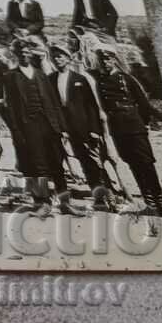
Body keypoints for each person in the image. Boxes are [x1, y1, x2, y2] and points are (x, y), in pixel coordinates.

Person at [1, 39, 82, 218]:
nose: (24, 55)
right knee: (37, 166)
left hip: (49, 125)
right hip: (28, 126)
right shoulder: (10, 77)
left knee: (57, 164)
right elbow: (11, 109)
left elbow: (53, 102)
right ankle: (42, 204)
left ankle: (65, 203)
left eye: (27, 51)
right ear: (15, 54)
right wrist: (16, 131)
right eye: (20, 52)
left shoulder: (40, 74)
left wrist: (62, 128)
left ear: (31, 53)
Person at [94, 44, 162, 217]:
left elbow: (143, 103)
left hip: (134, 126)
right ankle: (149, 203)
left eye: (108, 59)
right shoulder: (101, 83)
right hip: (118, 129)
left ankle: (161, 203)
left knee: (146, 164)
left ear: (114, 60)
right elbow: (104, 107)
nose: (105, 62)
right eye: (102, 60)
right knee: (132, 164)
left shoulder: (127, 79)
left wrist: (144, 123)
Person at [49, 45, 113, 211]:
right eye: (54, 57)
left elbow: (91, 106)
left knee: (89, 163)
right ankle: (63, 200)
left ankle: (100, 199)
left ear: (68, 59)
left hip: (82, 128)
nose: (57, 60)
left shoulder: (80, 79)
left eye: (61, 57)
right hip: (60, 128)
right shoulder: (50, 79)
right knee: (56, 162)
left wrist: (94, 129)